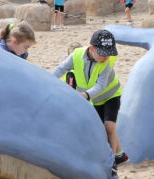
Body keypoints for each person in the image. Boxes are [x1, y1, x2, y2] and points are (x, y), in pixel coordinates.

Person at [53, 30, 129, 167]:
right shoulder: (76, 55)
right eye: (103, 54)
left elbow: (101, 85)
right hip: (96, 99)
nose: (106, 57)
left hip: (112, 95)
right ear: (92, 49)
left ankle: (111, 162)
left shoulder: (106, 61)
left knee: (109, 126)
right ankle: (120, 155)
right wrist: (48, 81)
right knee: (102, 128)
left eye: (109, 53)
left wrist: (86, 95)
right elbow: (60, 69)